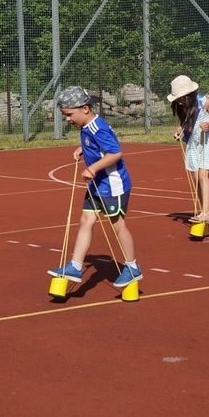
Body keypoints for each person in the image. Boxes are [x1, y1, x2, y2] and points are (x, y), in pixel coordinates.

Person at [47, 86, 141, 288]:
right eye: (65, 115)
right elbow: (97, 143)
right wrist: (83, 147)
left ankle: (132, 267)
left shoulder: (98, 128)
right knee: (86, 220)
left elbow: (115, 152)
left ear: (85, 109)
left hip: (112, 184)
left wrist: (92, 169)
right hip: (98, 184)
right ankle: (76, 265)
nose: (67, 119)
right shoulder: (87, 127)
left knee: (117, 225)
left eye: (70, 115)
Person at [169, 75, 209, 224]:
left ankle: (205, 213)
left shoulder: (205, 102)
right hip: (193, 142)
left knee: (202, 176)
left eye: (180, 97)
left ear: (188, 95)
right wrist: (179, 129)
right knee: (195, 177)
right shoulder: (182, 106)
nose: (178, 101)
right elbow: (186, 122)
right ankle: (206, 211)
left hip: (208, 141)